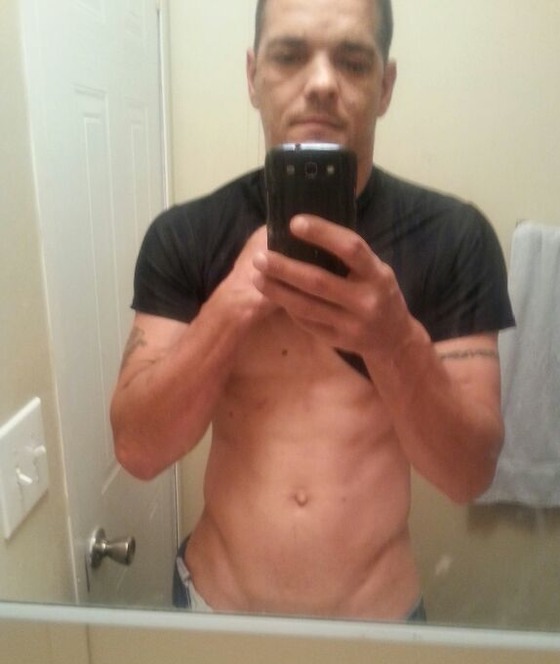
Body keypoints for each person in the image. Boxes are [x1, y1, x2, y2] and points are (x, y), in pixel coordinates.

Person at [110, 0, 514, 621]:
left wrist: (392, 339)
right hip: (216, 609)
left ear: (385, 86)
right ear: (252, 77)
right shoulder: (186, 235)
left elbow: (468, 474)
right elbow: (138, 449)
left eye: (352, 61)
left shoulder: (453, 239)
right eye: (290, 55)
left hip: (378, 623)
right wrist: (236, 301)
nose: (322, 82)